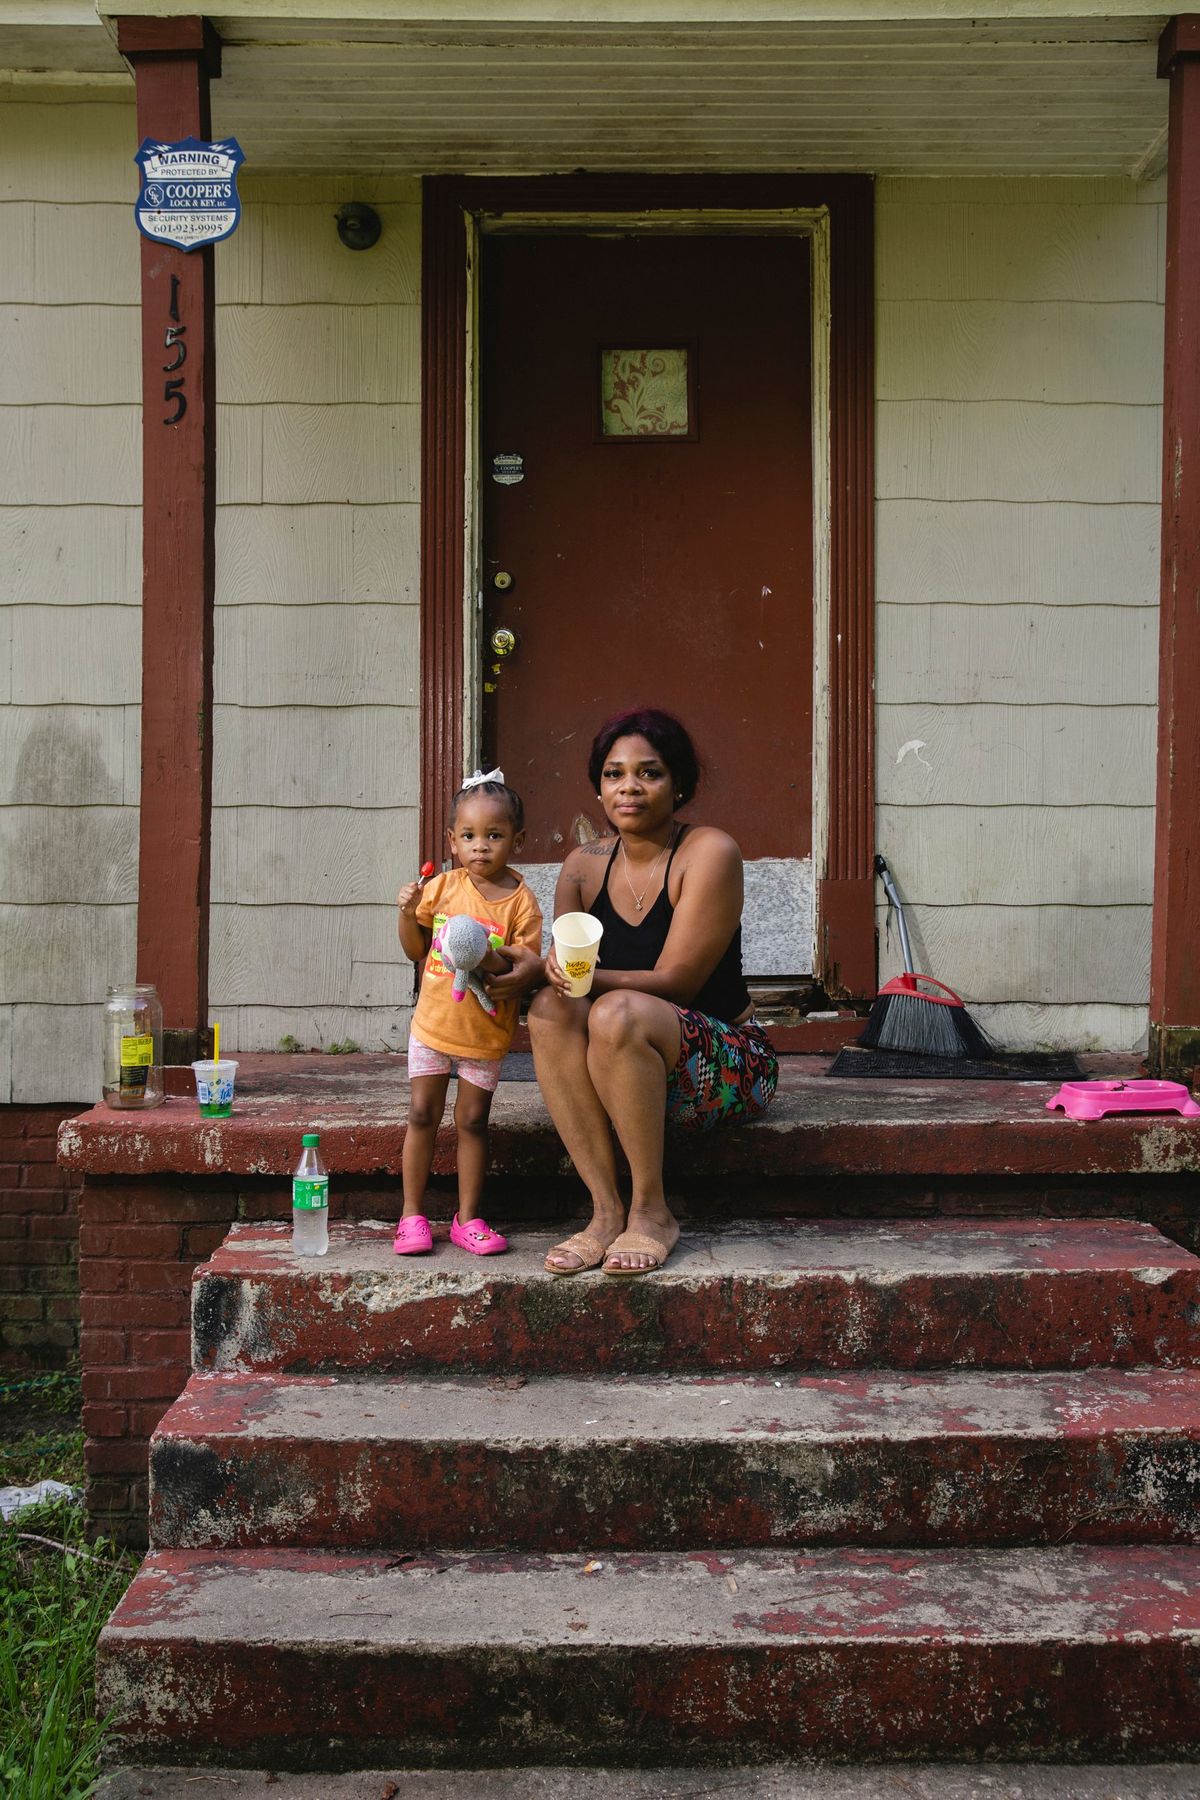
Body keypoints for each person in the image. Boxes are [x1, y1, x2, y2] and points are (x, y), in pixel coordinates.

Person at [488, 709, 778, 1277]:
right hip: (621, 1066)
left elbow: (678, 984)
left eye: (649, 773)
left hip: (727, 1064)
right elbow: (566, 984)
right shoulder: (582, 865)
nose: (629, 787)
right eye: (614, 774)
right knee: (551, 1006)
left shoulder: (709, 852)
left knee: (614, 1010)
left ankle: (651, 1212)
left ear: (680, 785)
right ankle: (604, 1212)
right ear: (598, 787)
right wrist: (516, 966)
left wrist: (556, 973)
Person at [395, 771, 542, 1257]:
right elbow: (416, 950)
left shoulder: (522, 904)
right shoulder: (440, 889)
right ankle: (412, 1216)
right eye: (469, 836)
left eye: (495, 836)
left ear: (517, 840)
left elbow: (519, 972)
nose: (481, 847)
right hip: (434, 1025)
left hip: (484, 1032)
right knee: (421, 1113)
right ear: (452, 841)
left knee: (473, 1121)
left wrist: (485, 956)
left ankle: (467, 1219)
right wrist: (406, 911)